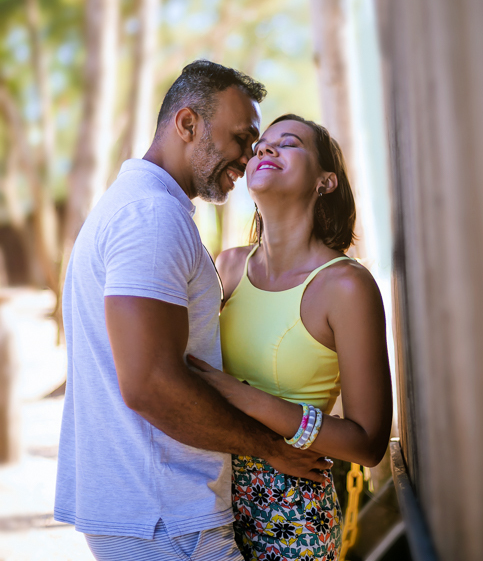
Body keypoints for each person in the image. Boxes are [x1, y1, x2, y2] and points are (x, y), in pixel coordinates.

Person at [54, 62, 333, 561]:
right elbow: (151, 385)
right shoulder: (152, 216)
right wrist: (272, 448)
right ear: (187, 124)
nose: (249, 155)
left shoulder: (138, 205)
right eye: (241, 138)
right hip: (164, 515)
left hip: (153, 510)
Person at [188, 114, 393, 560]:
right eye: (261, 145)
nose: (265, 148)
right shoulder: (227, 266)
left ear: (325, 181)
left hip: (293, 517)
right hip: (207, 499)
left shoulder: (346, 286)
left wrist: (242, 396)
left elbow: (368, 444)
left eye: (290, 142)